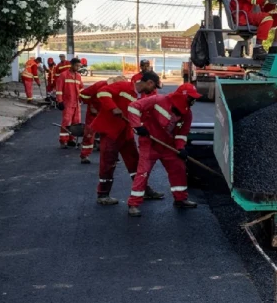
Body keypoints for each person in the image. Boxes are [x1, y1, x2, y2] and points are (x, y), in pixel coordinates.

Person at [126, 83, 201, 217]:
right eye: (191, 98)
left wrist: (180, 148)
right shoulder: (158, 100)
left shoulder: (187, 114)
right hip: (150, 143)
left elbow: (181, 134)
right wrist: (137, 126)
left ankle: (180, 199)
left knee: (178, 168)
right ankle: (133, 203)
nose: (193, 101)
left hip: (168, 145)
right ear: (182, 97)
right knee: (143, 172)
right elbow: (133, 107)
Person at [91, 72, 164, 205]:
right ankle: (103, 194)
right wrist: (113, 108)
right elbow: (102, 92)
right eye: (154, 87)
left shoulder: (141, 96)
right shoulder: (123, 86)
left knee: (135, 162)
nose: (153, 90)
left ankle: (144, 190)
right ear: (150, 83)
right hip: (111, 132)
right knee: (108, 163)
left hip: (126, 133)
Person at [56, 58, 84, 148]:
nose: (78, 67)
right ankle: (63, 141)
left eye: (79, 66)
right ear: (71, 65)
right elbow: (59, 90)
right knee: (66, 122)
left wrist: (83, 98)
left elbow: (81, 88)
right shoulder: (63, 75)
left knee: (76, 123)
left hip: (76, 104)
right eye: (77, 66)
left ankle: (71, 140)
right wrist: (59, 101)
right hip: (67, 103)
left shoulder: (79, 76)